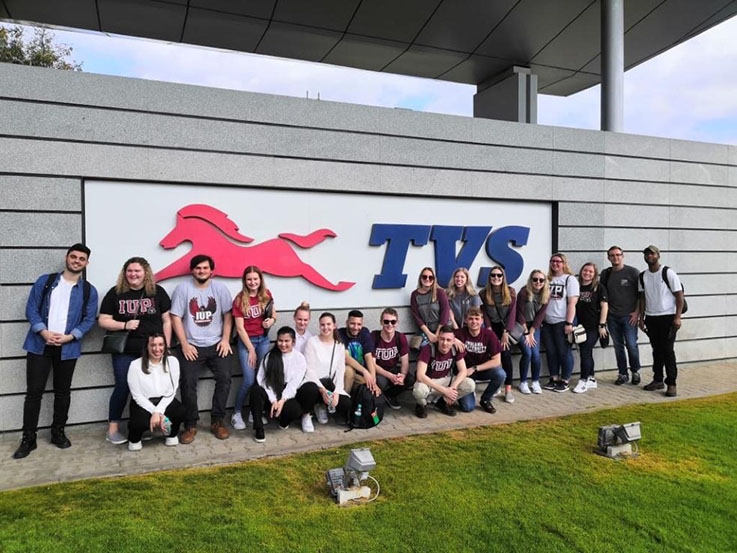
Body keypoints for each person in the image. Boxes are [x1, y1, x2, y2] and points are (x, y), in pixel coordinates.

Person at [13, 244, 98, 459]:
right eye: (73, 257)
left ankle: (58, 433)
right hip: (39, 345)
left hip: (67, 348)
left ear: (86, 263)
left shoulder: (88, 290)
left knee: (63, 392)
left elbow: (89, 320)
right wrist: (43, 332)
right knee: (34, 393)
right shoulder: (46, 281)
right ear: (66, 258)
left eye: (81, 259)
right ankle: (28, 439)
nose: (76, 261)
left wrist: (71, 336)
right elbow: (31, 309)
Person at [98, 257, 172, 445]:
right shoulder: (116, 293)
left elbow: (167, 321)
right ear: (125, 273)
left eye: (137, 271)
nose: (133, 274)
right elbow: (103, 320)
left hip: (152, 352)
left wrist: (166, 347)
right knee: (123, 387)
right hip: (125, 351)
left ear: (146, 272)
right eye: (129, 271)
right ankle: (113, 429)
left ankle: (145, 426)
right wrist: (124, 324)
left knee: (150, 389)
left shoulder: (157, 292)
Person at [169, 254, 233, 444]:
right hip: (191, 345)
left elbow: (228, 315)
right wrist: (184, 344)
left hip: (217, 344)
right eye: (198, 268)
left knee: (225, 378)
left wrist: (226, 340)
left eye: (205, 268)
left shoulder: (220, 288)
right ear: (192, 270)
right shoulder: (183, 289)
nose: (202, 271)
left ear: (211, 270)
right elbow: (175, 318)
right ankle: (190, 425)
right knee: (187, 382)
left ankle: (217, 421)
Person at [231, 266, 276, 431]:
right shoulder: (239, 299)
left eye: (255, 279)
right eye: (249, 279)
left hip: (263, 340)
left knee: (261, 379)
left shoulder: (266, 294)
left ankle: (254, 412)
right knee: (249, 380)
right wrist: (250, 349)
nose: (252, 282)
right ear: (244, 280)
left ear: (260, 279)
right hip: (246, 342)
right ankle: (236, 413)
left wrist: (270, 322)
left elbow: (273, 314)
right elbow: (240, 328)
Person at [248, 327, 313, 442]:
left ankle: (284, 422)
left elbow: (294, 383)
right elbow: (262, 380)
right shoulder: (270, 357)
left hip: (287, 394)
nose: (283, 344)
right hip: (271, 392)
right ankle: (259, 428)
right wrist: (273, 400)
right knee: (255, 391)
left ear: (293, 342)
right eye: (280, 341)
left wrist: (282, 400)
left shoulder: (299, 358)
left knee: (295, 409)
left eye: (286, 341)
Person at [638, 245, 684, 397]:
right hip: (651, 318)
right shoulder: (643, 276)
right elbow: (642, 298)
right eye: (647, 254)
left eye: (652, 254)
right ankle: (658, 379)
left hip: (668, 317)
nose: (649, 256)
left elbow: (679, 296)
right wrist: (641, 317)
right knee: (656, 350)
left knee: (667, 351)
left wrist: (677, 317)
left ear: (658, 255)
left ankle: (671, 383)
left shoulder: (667, 272)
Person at [126, 333, 184, 451]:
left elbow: (172, 391)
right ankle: (135, 438)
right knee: (137, 423)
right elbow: (137, 396)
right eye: (153, 345)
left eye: (160, 344)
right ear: (147, 347)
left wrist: (158, 411)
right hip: (143, 403)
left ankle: (171, 433)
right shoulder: (135, 365)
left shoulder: (172, 362)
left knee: (181, 411)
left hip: (165, 400)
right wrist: (156, 413)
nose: (157, 349)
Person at [413, 325, 475, 418]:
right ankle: (421, 405)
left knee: (470, 384)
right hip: (428, 382)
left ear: (454, 341)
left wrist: (453, 388)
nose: (445, 343)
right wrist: (445, 391)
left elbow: (463, 371)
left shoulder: (455, 349)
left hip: (445, 380)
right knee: (419, 391)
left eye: (448, 340)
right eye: (442, 339)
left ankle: (443, 403)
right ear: (437, 338)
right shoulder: (428, 348)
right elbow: (420, 375)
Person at [601, 246, 642, 385]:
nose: (615, 257)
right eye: (612, 255)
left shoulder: (633, 272)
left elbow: (640, 295)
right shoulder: (606, 274)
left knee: (631, 345)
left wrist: (637, 312)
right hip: (612, 317)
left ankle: (635, 371)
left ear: (623, 256)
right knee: (618, 346)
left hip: (629, 316)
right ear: (608, 258)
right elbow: (603, 297)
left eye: (618, 255)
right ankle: (622, 373)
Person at [302, 313, 351, 424]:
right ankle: (310, 411)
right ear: (319, 326)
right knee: (310, 390)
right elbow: (309, 370)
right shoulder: (312, 342)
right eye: (322, 325)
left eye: (328, 324)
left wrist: (337, 392)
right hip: (315, 384)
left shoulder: (339, 346)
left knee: (346, 403)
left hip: (330, 384)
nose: (326, 327)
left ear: (334, 325)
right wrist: (322, 389)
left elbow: (340, 371)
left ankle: (325, 405)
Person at [454, 307, 504, 413]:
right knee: (467, 407)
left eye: (477, 319)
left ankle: (486, 400)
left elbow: (496, 361)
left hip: (480, 370)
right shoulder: (459, 333)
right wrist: (453, 340)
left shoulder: (489, 335)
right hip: (464, 373)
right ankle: (469, 392)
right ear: (466, 320)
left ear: (482, 321)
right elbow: (442, 337)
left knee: (500, 374)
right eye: (471, 318)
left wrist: (475, 368)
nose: (474, 322)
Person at [542, 253, 579, 393]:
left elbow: (572, 303)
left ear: (564, 263)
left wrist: (569, 322)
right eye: (552, 261)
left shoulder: (570, 279)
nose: (555, 263)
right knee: (551, 352)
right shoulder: (547, 279)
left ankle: (565, 380)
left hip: (562, 321)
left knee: (564, 352)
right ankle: (554, 378)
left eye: (558, 261)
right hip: (547, 322)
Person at [480, 266, 517, 403]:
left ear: (503, 277)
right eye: (493, 275)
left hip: (506, 327)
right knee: (493, 356)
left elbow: (512, 314)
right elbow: (484, 313)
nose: (496, 278)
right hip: (492, 327)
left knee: (506, 356)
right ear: (489, 278)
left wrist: (506, 332)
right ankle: (496, 386)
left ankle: (508, 389)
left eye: (499, 275)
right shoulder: (483, 294)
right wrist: (489, 329)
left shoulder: (511, 292)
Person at [572, 263, 608, 394]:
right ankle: (591, 379)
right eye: (585, 270)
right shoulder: (576, 286)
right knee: (586, 351)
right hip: (579, 326)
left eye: (591, 272)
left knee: (585, 351)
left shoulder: (599, 288)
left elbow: (604, 306)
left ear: (594, 274)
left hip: (594, 326)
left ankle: (583, 381)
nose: (587, 273)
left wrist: (602, 325)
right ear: (581, 271)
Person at [371, 308, 414, 409]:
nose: (389, 324)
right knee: (380, 381)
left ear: (397, 323)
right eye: (386, 321)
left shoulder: (400, 337)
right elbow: (372, 364)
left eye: (393, 321)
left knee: (410, 379)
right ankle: (379, 399)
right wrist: (390, 376)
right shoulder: (374, 336)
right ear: (381, 322)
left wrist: (402, 375)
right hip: (379, 371)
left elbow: (405, 361)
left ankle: (390, 395)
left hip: (393, 368)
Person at [515, 270, 549, 395]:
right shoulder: (524, 293)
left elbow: (540, 316)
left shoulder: (546, 294)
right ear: (531, 280)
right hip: (521, 326)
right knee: (527, 353)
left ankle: (535, 381)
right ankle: (523, 382)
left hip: (535, 327)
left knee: (535, 354)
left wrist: (532, 332)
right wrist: (526, 332)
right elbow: (520, 314)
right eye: (535, 279)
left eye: (541, 280)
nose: (538, 282)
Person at [339, 310, 380, 395]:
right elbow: (346, 358)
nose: (355, 327)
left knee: (373, 388)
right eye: (352, 323)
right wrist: (365, 371)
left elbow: (368, 357)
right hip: (343, 374)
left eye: (359, 324)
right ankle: (343, 400)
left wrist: (373, 381)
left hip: (360, 375)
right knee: (349, 370)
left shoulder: (364, 332)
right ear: (347, 322)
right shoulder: (340, 333)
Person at [410, 267, 450, 346]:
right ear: (420, 278)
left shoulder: (440, 292)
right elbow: (416, 316)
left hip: (441, 329)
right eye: (424, 277)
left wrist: (437, 333)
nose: (427, 279)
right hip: (425, 331)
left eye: (430, 277)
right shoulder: (415, 295)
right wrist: (429, 334)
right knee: (425, 349)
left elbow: (445, 313)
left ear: (434, 279)